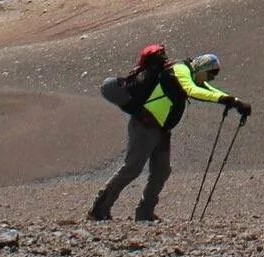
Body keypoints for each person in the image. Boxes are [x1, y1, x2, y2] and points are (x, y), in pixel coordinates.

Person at [89, 51, 250, 221]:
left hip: (160, 130)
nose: (209, 80)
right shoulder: (181, 70)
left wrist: (234, 101)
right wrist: (226, 100)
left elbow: (205, 88)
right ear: (201, 67)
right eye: (209, 75)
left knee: (162, 170)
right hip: (145, 125)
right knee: (133, 168)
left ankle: (144, 213)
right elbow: (192, 90)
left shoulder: (191, 73)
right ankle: (99, 208)